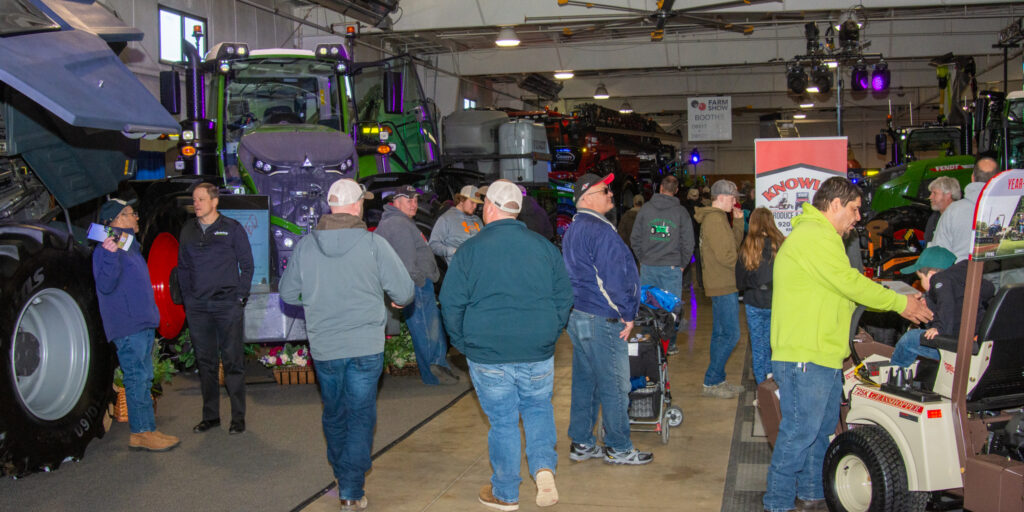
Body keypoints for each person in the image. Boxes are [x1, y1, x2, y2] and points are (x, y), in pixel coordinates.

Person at [763, 177, 933, 512]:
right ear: (835, 203)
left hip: (822, 354)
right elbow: (849, 283)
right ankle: (777, 504)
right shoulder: (814, 237)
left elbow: (842, 288)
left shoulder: (823, 238)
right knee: (799, 434)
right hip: (805, 355)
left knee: (821, 431)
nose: (858, 218)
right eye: (854, 209)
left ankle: (811, 493)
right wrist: (901, 304)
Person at [280, 178, 414, 512]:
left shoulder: (306, 246)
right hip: (365, 346)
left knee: (335, 410)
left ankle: (343, 472)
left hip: (325, 346)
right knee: (361, 413)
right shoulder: (374, 245)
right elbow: (405, 292)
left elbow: (286, 293)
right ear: (356, 206)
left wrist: (313, 297)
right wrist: (395, 302)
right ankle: (351, 488)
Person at [439, 179, 573, 511]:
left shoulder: (470, 250)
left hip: (488, 351)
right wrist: (549, 331)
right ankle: (543, 469)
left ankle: (506, 493)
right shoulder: (544, 247)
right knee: (538, 409)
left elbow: (451, 302)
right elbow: (564, 296)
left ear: (490, 208)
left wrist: (462, 342)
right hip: (536, 348)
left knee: (503, 421)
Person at [562, 173, 653, 466]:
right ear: (586, 198)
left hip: (580, 316)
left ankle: (583, 442)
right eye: (605, 190)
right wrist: (627, 314)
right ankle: (618, 446)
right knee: (615, 383)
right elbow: (612, 279)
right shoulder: (600, 231)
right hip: (603, 317)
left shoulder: (574, 229)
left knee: (586, 381)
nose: (611, 195)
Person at [92, 198, 180, 452]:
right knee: (136, 378)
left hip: (141, 323)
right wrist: (109, 256)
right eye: (131, 214)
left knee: (144, 377)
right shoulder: (107, 249)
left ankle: (148, 429)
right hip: (128, 327)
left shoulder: (129, 246)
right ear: (117, 220)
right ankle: (141, 432)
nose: (137, 218)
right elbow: (106, 286)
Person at [177, 182, 254, 435]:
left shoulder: (231, 229)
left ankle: (238, 418)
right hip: (198, 308)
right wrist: (189, 300)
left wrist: (240, 297)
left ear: (214, 201)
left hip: (226, 305)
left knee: (233, 363)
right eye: (194, 199)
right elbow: (183, 268)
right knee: (206, 363)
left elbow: (247, 265)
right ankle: (210, 417)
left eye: (200, 199)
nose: (195, 203)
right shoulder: (188, 230)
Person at [375, 185, 458, 386]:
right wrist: (419, 281)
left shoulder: (399, 222)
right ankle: (434, 374)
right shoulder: (398, 223)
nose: (414, 204)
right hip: (416, 285)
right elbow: (407, 261)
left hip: (417, 284)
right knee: (426, 329)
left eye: (415, 200)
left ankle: (438, 369)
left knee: (429, 327)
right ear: (396, 202)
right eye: (409, 200)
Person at [889, 246, 995, 367]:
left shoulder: (940, 280)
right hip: (974, 342)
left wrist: (939, 328)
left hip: (956, 346)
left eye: (920, 278)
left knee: (910, 339)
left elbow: (947, 305)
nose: (920, 283)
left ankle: (895, 372)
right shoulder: (962, 284)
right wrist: (930, 304)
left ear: (931, 275)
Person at [630, 175, 694, 355]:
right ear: (676, 190)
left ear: (660, 189)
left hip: (648, 265)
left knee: (648, 306)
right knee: (671, 308)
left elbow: (635, 238)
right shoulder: (681, 212)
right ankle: (669, 344)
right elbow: (688, 242)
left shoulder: (645, 209)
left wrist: (642, 258)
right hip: (671, 267)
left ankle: (648, 341)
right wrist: (682, 264)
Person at [694, 179, 745, 398]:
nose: (735, 202)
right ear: (721, 197)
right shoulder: (714, 221)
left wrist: (739, 224)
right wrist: (745, 267)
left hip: (722, 282)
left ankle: (717, 380)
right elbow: (728, 256)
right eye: (733, 197)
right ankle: (711, 379)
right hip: (723, 283)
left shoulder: (719, 218)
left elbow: (730, 247)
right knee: (732, 335)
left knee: (720, 334)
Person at [735, 207, 785, 385]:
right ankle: (775, 383)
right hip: (776, 303)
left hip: (753, 303)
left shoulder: (747, 246)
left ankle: (761, 386)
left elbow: (739, 281)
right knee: (776, 346)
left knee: (758, 347)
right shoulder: (781, 244)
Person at [931, 154, 1000, 261]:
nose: (930, 197)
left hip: (959, 276)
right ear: (998, 178)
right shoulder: (1013, 209)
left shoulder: (953, 211)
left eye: (934, 193)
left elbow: (938, 254)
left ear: (972, 177)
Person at [429, 185, 483, 265]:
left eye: (477, 204)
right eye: (472, 202)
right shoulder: (446, 219)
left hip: (479, 270)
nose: (475, 206)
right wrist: (453, 251)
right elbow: (433, 245)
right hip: (460, 272)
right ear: (461, 200)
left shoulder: (477, 220)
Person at [923, 176, 962, 244]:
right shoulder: (934, 217)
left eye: (934, 193)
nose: (930, 197)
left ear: (948, 195)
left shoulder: (960, 218)